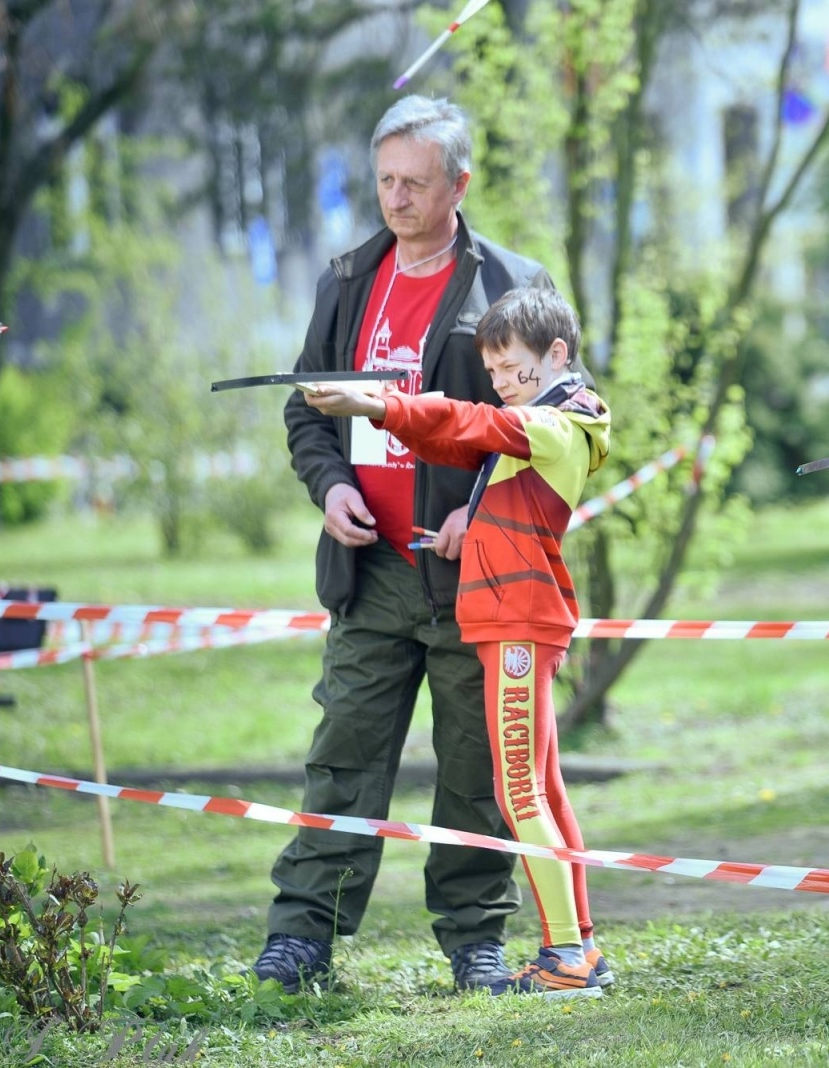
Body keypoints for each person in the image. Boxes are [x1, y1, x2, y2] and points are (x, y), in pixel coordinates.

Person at [258, 95, 559, 994]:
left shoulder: (512, 284)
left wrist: (486, 507)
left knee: (474, 767)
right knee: (343, 758)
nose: (396, 198)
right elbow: (305, 411)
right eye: (385, 180)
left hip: (474, 573)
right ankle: (302, 938)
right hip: (372, 570)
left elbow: (556, 424)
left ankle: (476, 942)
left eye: (415, 183)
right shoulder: (348, 278)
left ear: (459, 184)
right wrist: (331, 486)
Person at [305, 287, 611, 998]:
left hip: (518, 621)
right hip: (515, 617)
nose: (499, 382)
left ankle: (565, 957)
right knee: (544, 789)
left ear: (557, 354)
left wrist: (383, 406)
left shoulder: (558, 423)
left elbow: (472, 422)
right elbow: (455, 439)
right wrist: (381, 412)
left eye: (509, 367)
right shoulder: (544, 416)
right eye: (492, 370)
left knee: (519, 791)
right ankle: (581, 949)